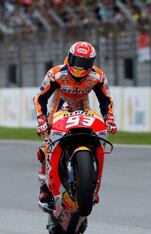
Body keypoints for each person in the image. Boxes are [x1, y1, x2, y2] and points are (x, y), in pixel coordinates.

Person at [33, 41, 117, 203]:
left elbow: (105, 100)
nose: (80, 67)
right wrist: (41, 119)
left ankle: (92, 185)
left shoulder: (97, 76)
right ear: (70, 58)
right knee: (46, 145)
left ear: (91, 64)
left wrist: (109, 118)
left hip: (83, 106)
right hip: (58, 106)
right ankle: (44, 185)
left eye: (85, 63)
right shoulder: (56, 74)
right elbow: (40, 98)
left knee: (94, 137)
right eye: (77, 61)